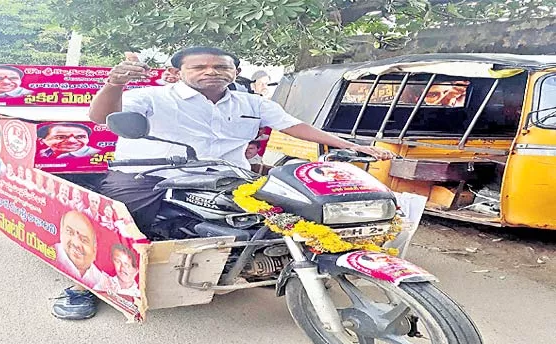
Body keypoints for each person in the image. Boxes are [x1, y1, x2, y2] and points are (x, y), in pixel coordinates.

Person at [53, 46, 395, 320]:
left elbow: (294, 126)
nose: (210, 71)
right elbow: (100, 118)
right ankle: (83, 284)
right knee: (119, 219)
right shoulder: (153, 97)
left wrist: (350, 146)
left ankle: (270, 264)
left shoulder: (252, 102)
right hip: (150, 175)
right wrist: (114, 84)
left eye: (220, 66)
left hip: (227, 177)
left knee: (284, 212)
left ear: (235, 71)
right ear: (180, 72)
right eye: (199, 67)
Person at [52, 211, 104, 319]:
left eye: (84, 239)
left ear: (95, 249)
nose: (76, 243)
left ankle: (82, 289)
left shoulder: (103, 277)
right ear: (61, 233)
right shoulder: (53, 252)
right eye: (69, 232)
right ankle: (82, 287)